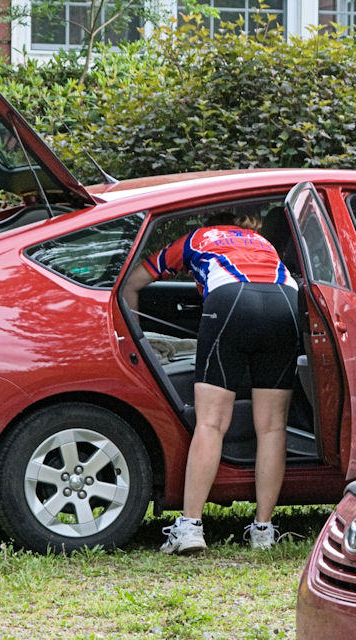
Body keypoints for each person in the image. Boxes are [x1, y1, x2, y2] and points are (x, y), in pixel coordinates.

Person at [123, 211, 299, 552]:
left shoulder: (196, 239)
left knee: (211, 423)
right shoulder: (263, 243)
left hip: (231, 299)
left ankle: (190, 527)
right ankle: (263, 531)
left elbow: (133, 281)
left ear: (210, 223)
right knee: (273, 427)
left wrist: (138, 338)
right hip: (284, 301)